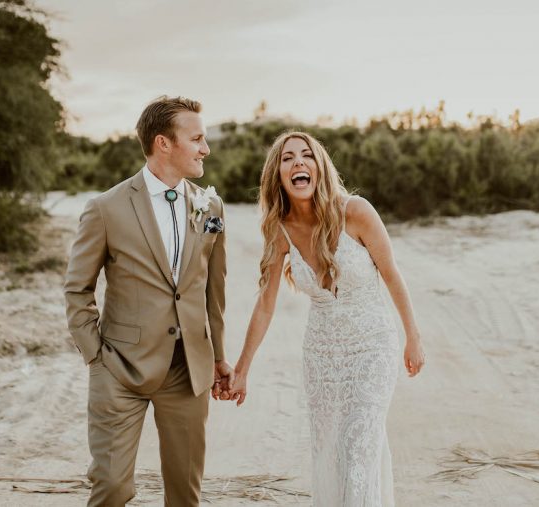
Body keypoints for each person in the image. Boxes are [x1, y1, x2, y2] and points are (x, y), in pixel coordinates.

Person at [228, 130, 425, 506]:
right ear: (278, 174)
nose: (298, 162)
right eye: (288, 158)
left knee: (360, 444)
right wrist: (242, 368)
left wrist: (413, 338)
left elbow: (392, 274)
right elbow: (265, 303)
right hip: (322, 356)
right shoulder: (280, 228)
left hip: (372, 347)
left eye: (307, 155)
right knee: (330, 451)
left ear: (319, 167)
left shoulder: (356, 212)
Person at [63, 96, 233, 506]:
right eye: (196, 139)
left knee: (184, 494)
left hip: (187, 370)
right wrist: (96, 359)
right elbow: (77, 289)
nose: (205, 148)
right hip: (120, 370)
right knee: (111, 488)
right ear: (164, 143)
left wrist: (218, 357)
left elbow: (214, 291)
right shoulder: (105, 208)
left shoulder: (210, 205)